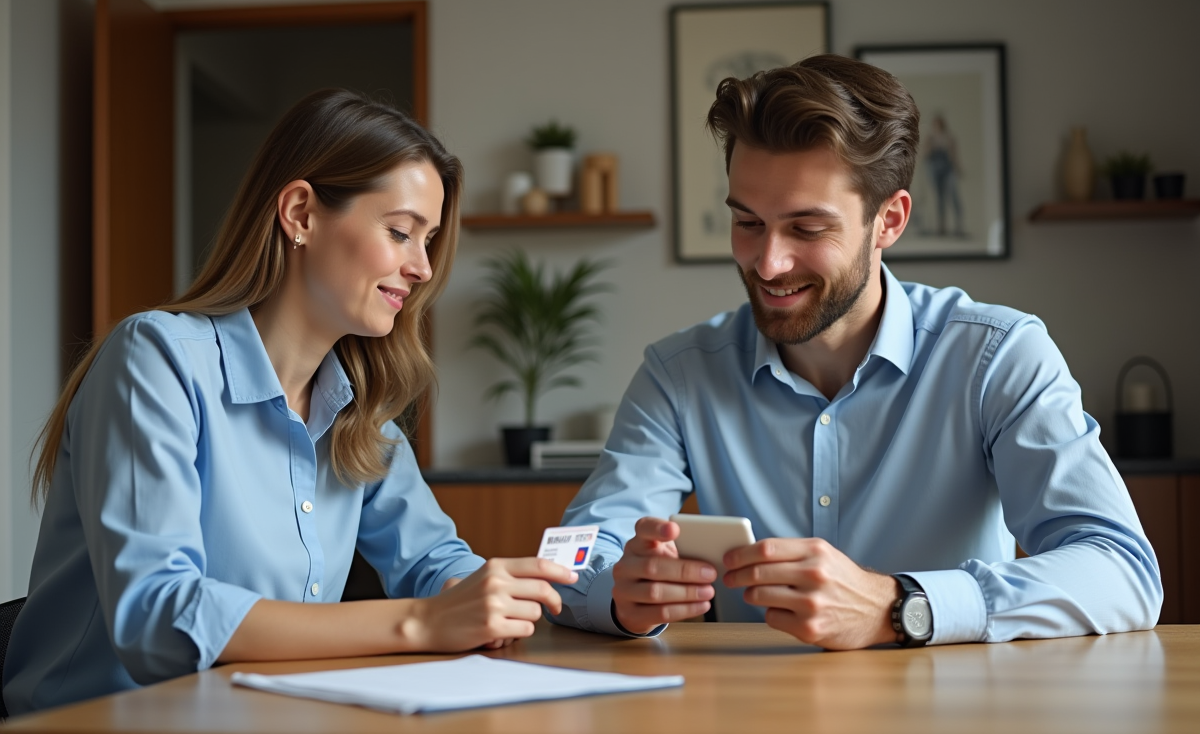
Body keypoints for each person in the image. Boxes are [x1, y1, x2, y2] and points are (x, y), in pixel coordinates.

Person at [548, 55, 1161, 649]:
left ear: (888, 221)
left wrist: (902, 606)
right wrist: (617, 595)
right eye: (748, 223)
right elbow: (575, 554)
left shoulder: (999, 357)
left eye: (807, 229)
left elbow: (1122, 571)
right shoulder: (679, 374)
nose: (768, 263)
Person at [3, 89, 574, 715]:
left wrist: (487, 598)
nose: (423, 268)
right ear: (300, 213)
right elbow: (157, 618)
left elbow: (433, 560)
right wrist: (422, 622)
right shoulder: (156, 358)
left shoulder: (360, 412)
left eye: (429, 241)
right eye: (401, 232)